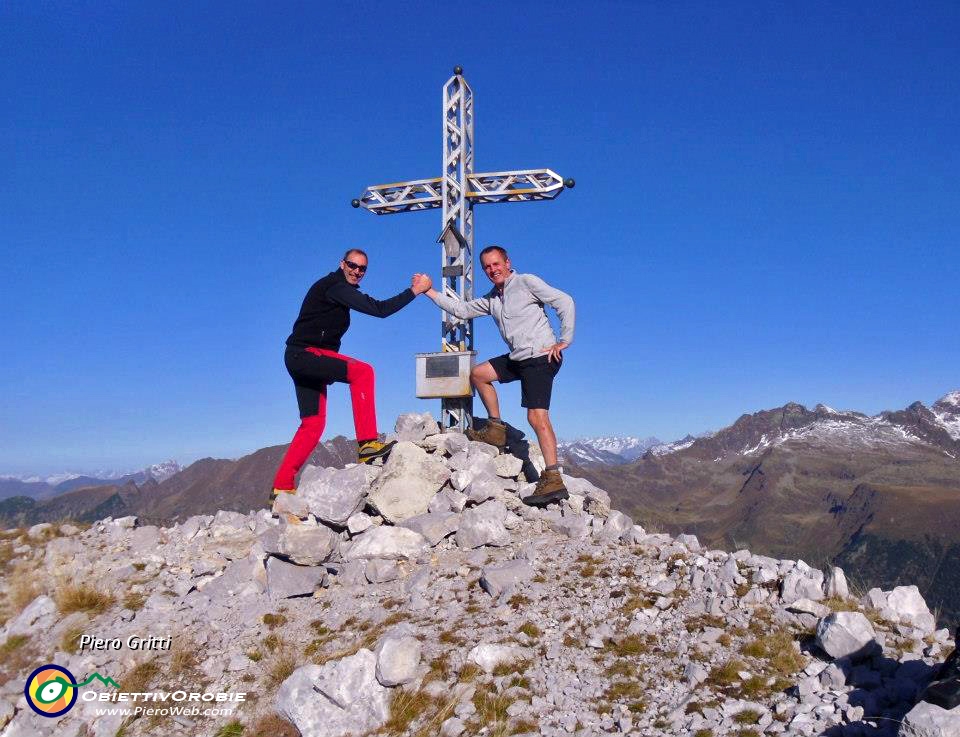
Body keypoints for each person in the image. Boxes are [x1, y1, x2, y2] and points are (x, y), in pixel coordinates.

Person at [414, 245, 575, 506]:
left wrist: (564, 339)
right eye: (487, 266)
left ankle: (554, 477)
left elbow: (564, 301)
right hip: (518, 358)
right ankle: (496, 429)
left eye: (496, 264)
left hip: (540, 358)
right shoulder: (493, 298)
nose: (492, 270)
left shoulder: (526, 282)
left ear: (507, 262)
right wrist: (428, 291)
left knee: (536, 416)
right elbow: (463, 310)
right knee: (478, 374)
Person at [272, 249, 430, 500]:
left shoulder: (339, 289)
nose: (356, 271)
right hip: (305, 354)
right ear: (341, 264)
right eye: (352, 265)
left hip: (299, 356)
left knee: (312, 424)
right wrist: (415, 291)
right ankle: (367, 442)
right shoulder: (335, 286)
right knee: (363, 372)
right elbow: (380, 309)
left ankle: (282, 486)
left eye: (362, 268)